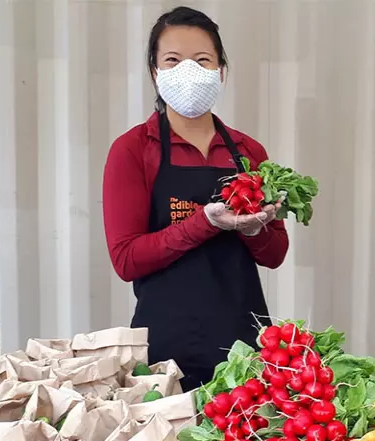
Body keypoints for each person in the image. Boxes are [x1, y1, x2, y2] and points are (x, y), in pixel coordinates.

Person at [103, 6, 287, 391]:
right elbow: (126, 259)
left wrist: (254, 230)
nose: (188, 69)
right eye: (173, 60)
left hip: (245, 343)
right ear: (155, 73)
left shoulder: (248, 151)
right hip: (166, 349)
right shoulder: (133, 149)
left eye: (202, 60)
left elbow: (275, 255)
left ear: (221, 71)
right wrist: (206, 222)